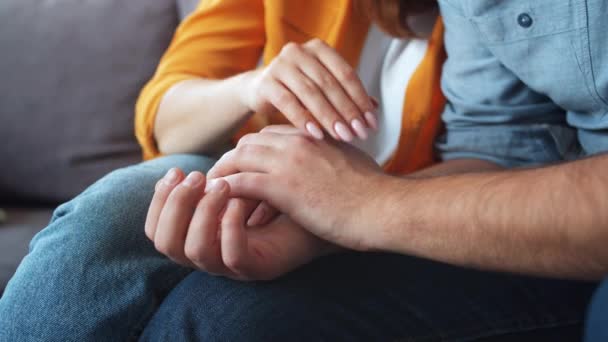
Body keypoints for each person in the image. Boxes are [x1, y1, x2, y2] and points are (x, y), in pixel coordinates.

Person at [0, 1, 600, 342]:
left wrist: (353, 206)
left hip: (412, 208)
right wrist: (253, 85)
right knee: (105, 223)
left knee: (219, 315)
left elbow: (504, 154)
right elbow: (161, 117)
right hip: (283, 184)